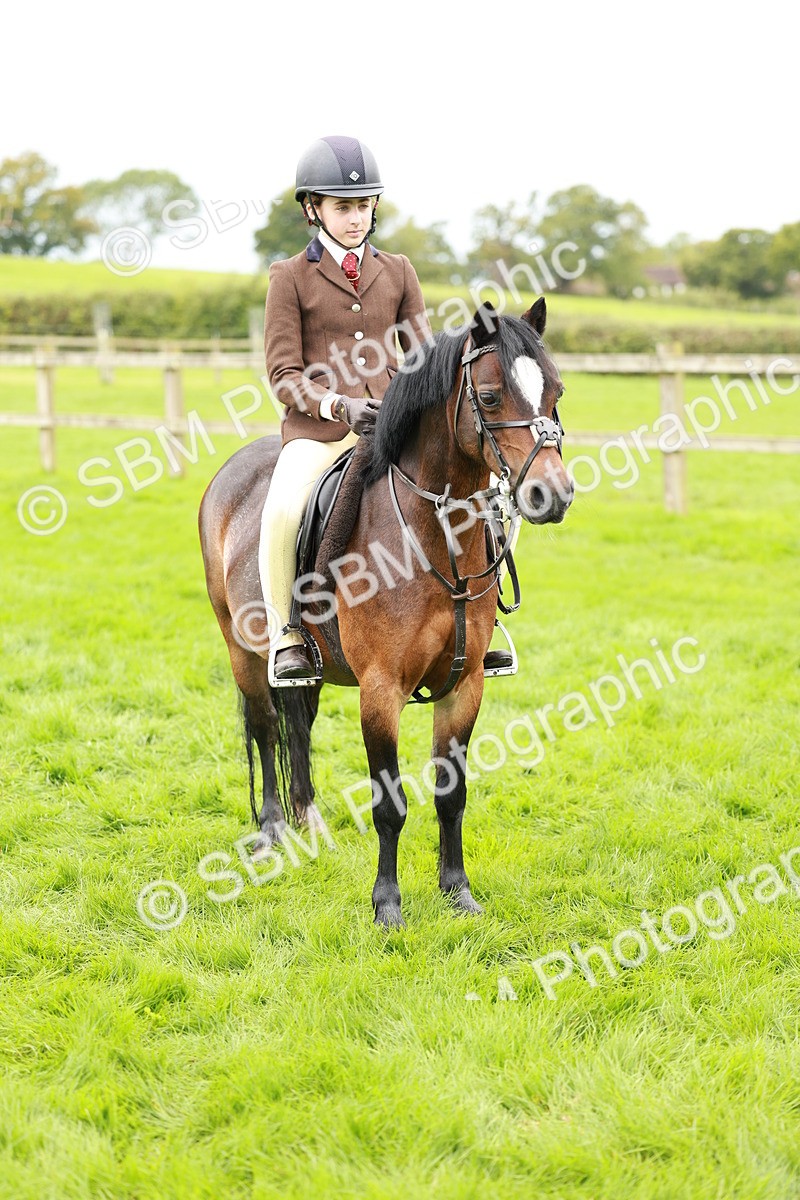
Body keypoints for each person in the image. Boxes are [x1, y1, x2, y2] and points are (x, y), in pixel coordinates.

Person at [259, 135, 432, 681]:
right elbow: (283, 375)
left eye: (363, 205)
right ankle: (287, 634)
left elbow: (421, 356)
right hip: (319, 432)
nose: (356, 218)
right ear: (314, 209)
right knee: (284, 510)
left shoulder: (399, 270)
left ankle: (484, 620)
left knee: (473, 491)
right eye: (343, 207)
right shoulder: (289, 277)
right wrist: (337, 404)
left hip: (390, 429)